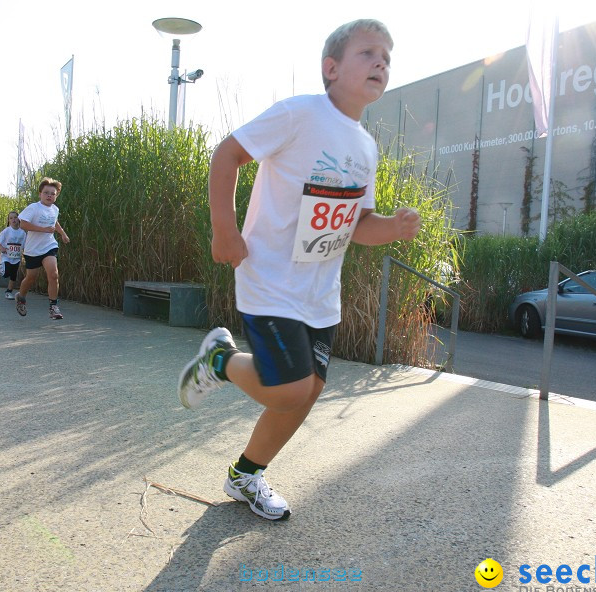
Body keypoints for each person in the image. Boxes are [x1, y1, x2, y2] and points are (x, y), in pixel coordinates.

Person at [177, 19, 422, 521]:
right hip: (270, 278)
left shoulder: (365, 147)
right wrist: (225, 230)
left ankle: (246, 475)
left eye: (388, 58)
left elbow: (357, 224)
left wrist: (392, 228)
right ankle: (220, 361)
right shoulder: (298, 114)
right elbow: (228, 155)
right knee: (289, 388)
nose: (381, 63)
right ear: (331, 69)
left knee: (306, 392)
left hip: (320, 291)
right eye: (368, 53)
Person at [15, 178, 70, 319]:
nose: (49, 195)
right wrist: (43, 229)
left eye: (53, 193)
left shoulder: (55, 209)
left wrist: (63, 234)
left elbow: (54, 222)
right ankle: (21, 298)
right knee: (31, 278)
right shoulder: (33, 208)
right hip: (33, 249)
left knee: (54, 275)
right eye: (46, 193)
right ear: (40, 194)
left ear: (56, 195)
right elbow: (23, 224)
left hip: (49, 246)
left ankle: (53, 307)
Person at [0, 210, 26, 299]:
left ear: (19, 219)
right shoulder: (6, 231)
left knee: (13, 275)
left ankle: (8, 292)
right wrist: (1, 248)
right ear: (9, 221)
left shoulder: (22, 232)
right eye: (11, 218)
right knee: (7, 273)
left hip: (16, 257)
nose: (13, 220)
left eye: (15, 217)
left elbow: (24, 245)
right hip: (6, 256)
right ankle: (0, 270)